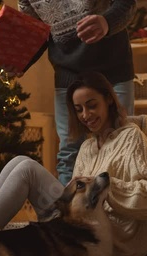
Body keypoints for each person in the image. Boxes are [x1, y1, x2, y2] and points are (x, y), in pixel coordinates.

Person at [0, 71, 147, 256]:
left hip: (112, 239)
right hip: (80, 231)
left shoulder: (131, 137)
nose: (85, 115)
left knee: (27, 168)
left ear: (108, 99)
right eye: (79, 109)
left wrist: (104, 187)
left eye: (91, 106)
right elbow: (77, 206)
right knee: (18, 161)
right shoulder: (87, 146)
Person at [18, 0, 137, 186]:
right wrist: (20, 62)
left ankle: (120, 207)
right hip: (68, 73)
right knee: (69, 152)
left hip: (113, 66)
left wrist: (107, 22)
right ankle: (71, 212)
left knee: (122, 142)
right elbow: (36, 32)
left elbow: (127, 4)